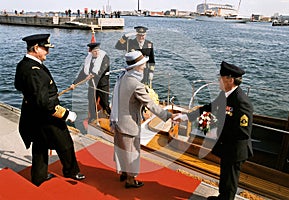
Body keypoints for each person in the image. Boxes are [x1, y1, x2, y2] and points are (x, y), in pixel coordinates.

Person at [174, 61, 253, 200]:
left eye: (221, 77)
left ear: (230, 79)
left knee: (230, 181)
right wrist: (185, 116)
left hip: (235, 149)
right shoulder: (225, 95)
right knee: (225, 177)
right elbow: (208, 108)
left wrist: (215, 129)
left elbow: (243, 132)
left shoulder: (241, 101)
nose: (218, 79)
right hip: (227, 146)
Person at [14, 34, 85, 186]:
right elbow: (43, 103)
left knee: (40, 145)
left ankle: (39, 176)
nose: (48, 52)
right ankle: (71, 171)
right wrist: (66, 114)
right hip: (47, 116)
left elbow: (18, 86)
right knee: (65, 143)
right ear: (36, 48)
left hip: (32, 114)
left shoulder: (23, 65)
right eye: (45, 48)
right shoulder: (34, 70)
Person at [110, 50, 175, 189]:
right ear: (136, 67)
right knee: (132, 152)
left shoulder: (122, 77)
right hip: (130, 124)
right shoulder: (136, 84)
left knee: (122, 149)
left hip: (118, 120)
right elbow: (151, 105)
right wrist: (168, 116)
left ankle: (123, 172)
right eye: (142, 64)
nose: (145, 67)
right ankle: (130, 180)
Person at [70, 42, 111, 122]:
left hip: (102, 85)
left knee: (104, 102)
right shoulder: (88, 59)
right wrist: (74, 83)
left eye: (98, 51)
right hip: (92, 85)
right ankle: (93, 118)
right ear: (91, 52)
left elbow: (102, 70)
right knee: (91, 101)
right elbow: (83, 73)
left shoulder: (105, 58)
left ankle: (110, 116)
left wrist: (93, 75)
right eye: (95, 51)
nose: (97, 53)